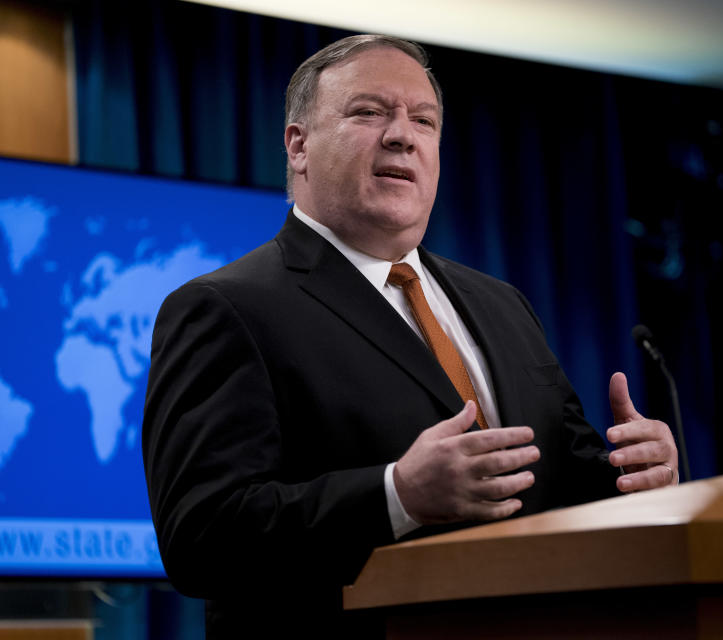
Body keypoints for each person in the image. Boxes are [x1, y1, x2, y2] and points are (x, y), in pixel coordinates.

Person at [142, 34, 678, 638]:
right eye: (369, 112)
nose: (403, 135)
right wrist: (397, 495)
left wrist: (633, 480)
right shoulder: (225, 308)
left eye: (423, 120)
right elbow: (201, 537)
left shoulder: (501, 304)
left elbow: (556, 481)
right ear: (299, 146)